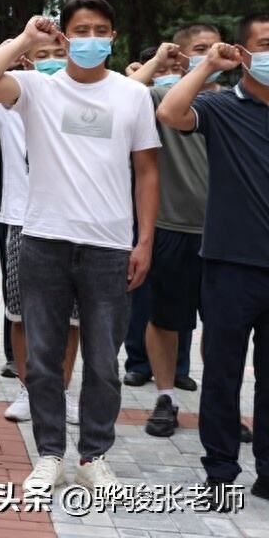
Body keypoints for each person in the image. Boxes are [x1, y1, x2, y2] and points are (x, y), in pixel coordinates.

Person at [0, 0, 160, 495]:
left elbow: (147, 172)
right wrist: (27, 40)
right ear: (65, 36)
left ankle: (93, 454)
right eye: (81, 29)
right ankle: (50, 454)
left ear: (113, 37)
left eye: (100, 30)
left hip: (109, 246)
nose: (90, 38)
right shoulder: (36, 89)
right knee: (44, 360)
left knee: (102, 361)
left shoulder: (132, 96)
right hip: (45, 241)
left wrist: (144, 241)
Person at [157, 14, 269, 507]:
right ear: (245, 53)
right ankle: (220, 473)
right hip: (229, 266)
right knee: (222, 374)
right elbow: (171, 113)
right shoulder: (222, 107)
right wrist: (207, 67)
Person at [0, 44, 82, 425]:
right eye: (43, 52)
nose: (52, 57)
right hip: (22, 221)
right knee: (19, 313)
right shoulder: (10, 105)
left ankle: (63, 392)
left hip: (73, 222)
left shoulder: (83, 98)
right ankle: (28, 388)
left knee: (71, 319)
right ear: (28, 60)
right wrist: (12, 47)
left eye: (59, 50)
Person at [126, 25, 223, 437]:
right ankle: (165, 398)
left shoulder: (239, 103)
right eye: (200, 50)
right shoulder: (162, 99)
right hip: (173, 229)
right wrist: (156, 64)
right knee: (165, 320)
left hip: (227, 236)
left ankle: (222, 405)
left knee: (223, 327)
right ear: (180, 58)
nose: (210, 55)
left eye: (215, 47)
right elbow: (120, 93)